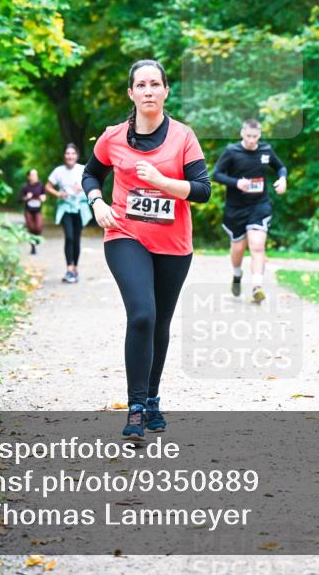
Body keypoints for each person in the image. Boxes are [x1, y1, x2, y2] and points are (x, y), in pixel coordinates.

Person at [81, 59, 211, 441]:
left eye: (156, 84)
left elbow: (202, 190)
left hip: (173, 244)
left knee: (160, 323)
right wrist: (96, 202)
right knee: (142, 313)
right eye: (142, 85)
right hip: (125, 234)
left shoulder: (183, 137)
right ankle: (136, 407)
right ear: (131, 93)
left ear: (166, 91)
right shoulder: (113, 137)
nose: (149, 91)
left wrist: (162, 181)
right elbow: (91, 173)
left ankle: (153, 398)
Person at [212, 119, 287, 302]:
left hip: (259, 205)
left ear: (259, 135)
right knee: (238, 248)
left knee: (257, 245)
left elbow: (280, 167)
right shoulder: (232, 151)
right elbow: (216, 174)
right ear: (242, 134)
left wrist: (283, 179)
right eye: (248, 136)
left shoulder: (266, 151)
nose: (252, 140)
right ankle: (237, 275)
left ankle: (257, 286)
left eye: (255, 136)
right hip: (236, 208)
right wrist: (236, 182)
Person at [45, 143, 91, 283]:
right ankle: (69, 268)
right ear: (64, 156)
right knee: (69, 237)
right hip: (65, 207)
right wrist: (59, 193)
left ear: (76, 155)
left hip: (80, 207)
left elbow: (93, 183)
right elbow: (48, 186)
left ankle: (75, 269)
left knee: (76, 238)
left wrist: (82, 186)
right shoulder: (58, 171)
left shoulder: (83, 169)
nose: (70, 156)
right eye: (67, 153)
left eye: (72, 153)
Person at [19, 169, 45, 255]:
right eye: (33, 175)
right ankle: (33, 247)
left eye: (36, 175)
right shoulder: (25, 187)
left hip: (37, 210)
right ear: (29, 177)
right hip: (28, 210)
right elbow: (19, 199)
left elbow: (44, 195)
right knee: (31, 228)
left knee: (38, 227)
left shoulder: (40, 185)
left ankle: (36, 239)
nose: (35, 177)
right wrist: (26, 197)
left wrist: (43, 198)